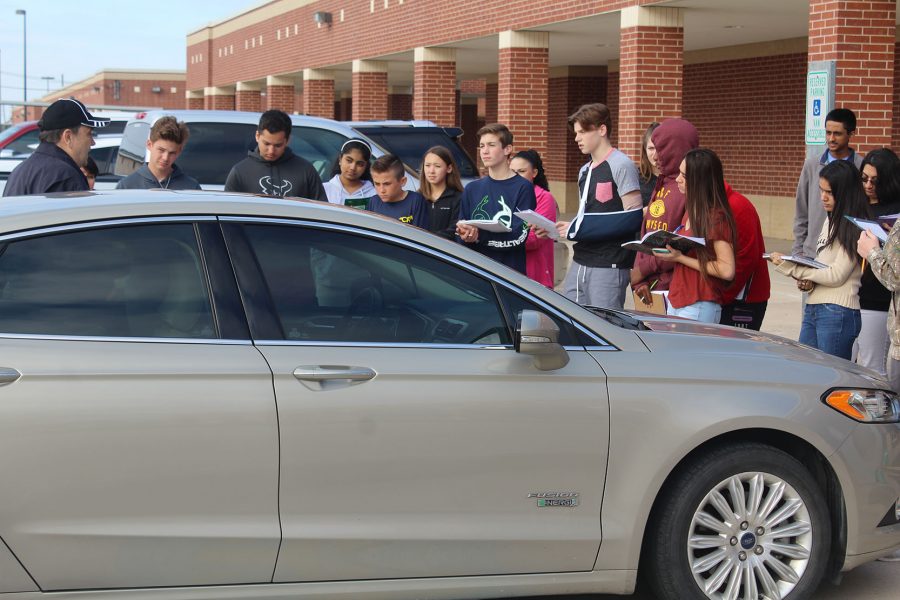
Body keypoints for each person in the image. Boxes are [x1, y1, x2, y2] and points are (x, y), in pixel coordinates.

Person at [542, 104, 641, 307]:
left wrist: (579, 228)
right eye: (576, 132)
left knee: (604, 328)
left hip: (609, 262)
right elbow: (589, 214)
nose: (577, 138)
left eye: (583, 132)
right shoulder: (584, 170)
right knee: (572, 322)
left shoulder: (621, 164)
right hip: (581, 259)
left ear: (602, 130)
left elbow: (633, 218)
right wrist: (565, 228)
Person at [771, 160, 870, 359]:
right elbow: (823, 265)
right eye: (821, 190)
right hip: (816, 305)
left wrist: (792, 268)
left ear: (845, 193)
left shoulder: (853, 224)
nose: (823, 197)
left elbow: (837, 275)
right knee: (806, 370)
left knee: (830, 378)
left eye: (830, 192)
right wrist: (809, 282)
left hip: (837, 311)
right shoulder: (831, 219)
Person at [652, 148, 737, 323]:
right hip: (678, 299)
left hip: (699, 303)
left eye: (684, 175)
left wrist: (680, 258)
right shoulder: (691, 211)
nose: (678, 179)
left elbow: (727, 270)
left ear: (700, 181)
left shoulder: (716, 218)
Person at [630, 118, 700, 305]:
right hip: (651, 286)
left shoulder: (689, 189)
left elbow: (684, 244)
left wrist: (643, 270)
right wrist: (640, 279)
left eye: (661, 149)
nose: (654, 157)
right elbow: (646, 235)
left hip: (677, 290)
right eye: (652, 149)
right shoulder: (663, 183)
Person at [456, 124, 536, 275]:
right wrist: (465, 235)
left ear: (507, 149)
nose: (484, 151)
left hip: (509, 276)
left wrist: (480, 236)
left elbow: (519, 237)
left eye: (491, 145)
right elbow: (460, 233)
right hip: (477, 272)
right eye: (481, 146)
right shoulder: (471, 189)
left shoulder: (523, 187)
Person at [793, 108, 863, 260]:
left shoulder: (861, 167)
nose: (831, 138)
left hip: (847, 254)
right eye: (828, 132)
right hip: (812, 253)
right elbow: (801, 212)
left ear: (851, 134)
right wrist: (799, 253)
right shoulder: (811, 165)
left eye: (837, 134)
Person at [853, 149, 900, 377]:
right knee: (850, 365)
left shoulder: (895, 212)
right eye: (864, 178)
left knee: (873, 368)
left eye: (875, 180)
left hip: (879, 297)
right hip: (853, 292)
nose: (869, 185)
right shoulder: (857, 203)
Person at [3, 98, 109, 196]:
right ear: (68, 137)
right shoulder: (66, 177)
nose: (92, 142)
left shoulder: (20, 171)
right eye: (89, 134)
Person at [224, 109, 326, 200]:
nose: (271, 151)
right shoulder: (240, 172)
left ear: (288, 140)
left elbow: (322, 211)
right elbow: (227, 213)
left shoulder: (305, 171)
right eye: (266, 144)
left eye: (278, 145)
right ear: (257, 136)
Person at [719, 182, 770, 330]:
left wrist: (722, 297)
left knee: (734, 351)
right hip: (723, 296)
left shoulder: (737, 206)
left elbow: (746, 259)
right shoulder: (706, 204)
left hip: (743, 299)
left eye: (685, 176)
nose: (678, 180)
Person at [510, 149, 557, 288]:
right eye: (512, 172)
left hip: (535, 278)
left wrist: (498, 238)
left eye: (521, 171)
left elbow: (533, 240)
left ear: (534, 173)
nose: (515, 176)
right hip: (508, 272)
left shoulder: (545, 198)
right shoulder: (505, 196)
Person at [116, 116, 200, 190]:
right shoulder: (127, 186)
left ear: (179, 151)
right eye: (161, 150)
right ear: (149, 145)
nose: (165, 158)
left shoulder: (191, 187)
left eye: (172, 153)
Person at [366, 154, 429, 227]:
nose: (381, 190)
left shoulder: (416, 201)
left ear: (402, 181)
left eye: (387, 184)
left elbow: (419, 236)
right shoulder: (374, 202)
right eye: (377, 184)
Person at [419, 146, 463, 240]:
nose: (431, 171)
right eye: (427, 165)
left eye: (437, 166)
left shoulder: (458, 198)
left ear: (449, 168)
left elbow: (455, 230)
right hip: (419, 252)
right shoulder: (417, 197)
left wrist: (428, 239)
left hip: (445, 252)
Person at [323, 139, 375, 206]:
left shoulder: (373, 194)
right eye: (349, 161)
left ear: (366, 166)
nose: (353, 167)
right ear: (340, 159)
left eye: (359, 164)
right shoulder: (324, 190)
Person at [639, 122, 660, 207]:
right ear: (645, 150)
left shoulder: (677, 179)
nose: (655, 155)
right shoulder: (635, 177)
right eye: (651, 148)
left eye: (659, 148)